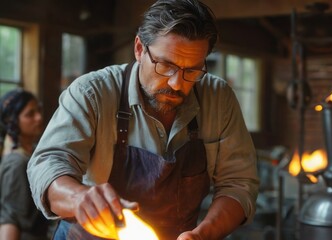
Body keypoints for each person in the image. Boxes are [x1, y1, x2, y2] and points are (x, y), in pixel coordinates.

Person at [27, 0, 259, 239]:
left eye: (192, 70)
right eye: (166, 65)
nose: (176, 83)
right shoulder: (92, 92)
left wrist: (204, 234)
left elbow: (238, 184)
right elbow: (49, 162)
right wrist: (78, 198)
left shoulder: (218, 99)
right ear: (139, 48)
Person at [0, 89, 50, 240]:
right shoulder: (17, 163)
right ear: (11, 121)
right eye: (30, 114)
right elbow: (10, 218)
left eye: (38, 111)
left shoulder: (32, 153)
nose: (39, 117)